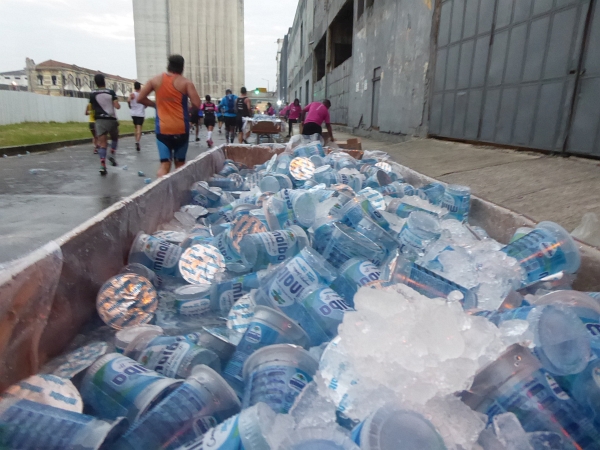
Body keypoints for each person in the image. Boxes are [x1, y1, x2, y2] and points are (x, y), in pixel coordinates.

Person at [137, 54, 201, 178]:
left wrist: (155, 105)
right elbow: (197, 104)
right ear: (182, 67)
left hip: (163, 129)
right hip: (181, 128)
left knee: (164, 164)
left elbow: (140, 98)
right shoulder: (186, 83)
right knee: (180, 164)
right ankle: (180, 193)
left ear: (168, 66)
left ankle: (160, 193)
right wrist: (188, 111)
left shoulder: (155, 80)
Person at [89, 74, 120, 175]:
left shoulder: (92, 93)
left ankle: (103, 165)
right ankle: (112, 154)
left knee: (102, 143)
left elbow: (91, 108)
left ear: (96, 82)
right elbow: (117, 106)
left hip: (99, 120)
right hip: (111, 119)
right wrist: (116, 103)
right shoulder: (111, 92)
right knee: (114, 137)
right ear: (104, 81)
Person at [128, 81, 146, 152]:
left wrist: (130, 106)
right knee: (139, 129)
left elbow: (128, 101)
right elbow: (145, 105)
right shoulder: (142, 95)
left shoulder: (132, 94)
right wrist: (143, 107)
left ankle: (136, 140)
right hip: (140, 114)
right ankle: (137, 142)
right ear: (140, 87)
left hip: (133, 114)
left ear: (134, 87)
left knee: (135, 128)